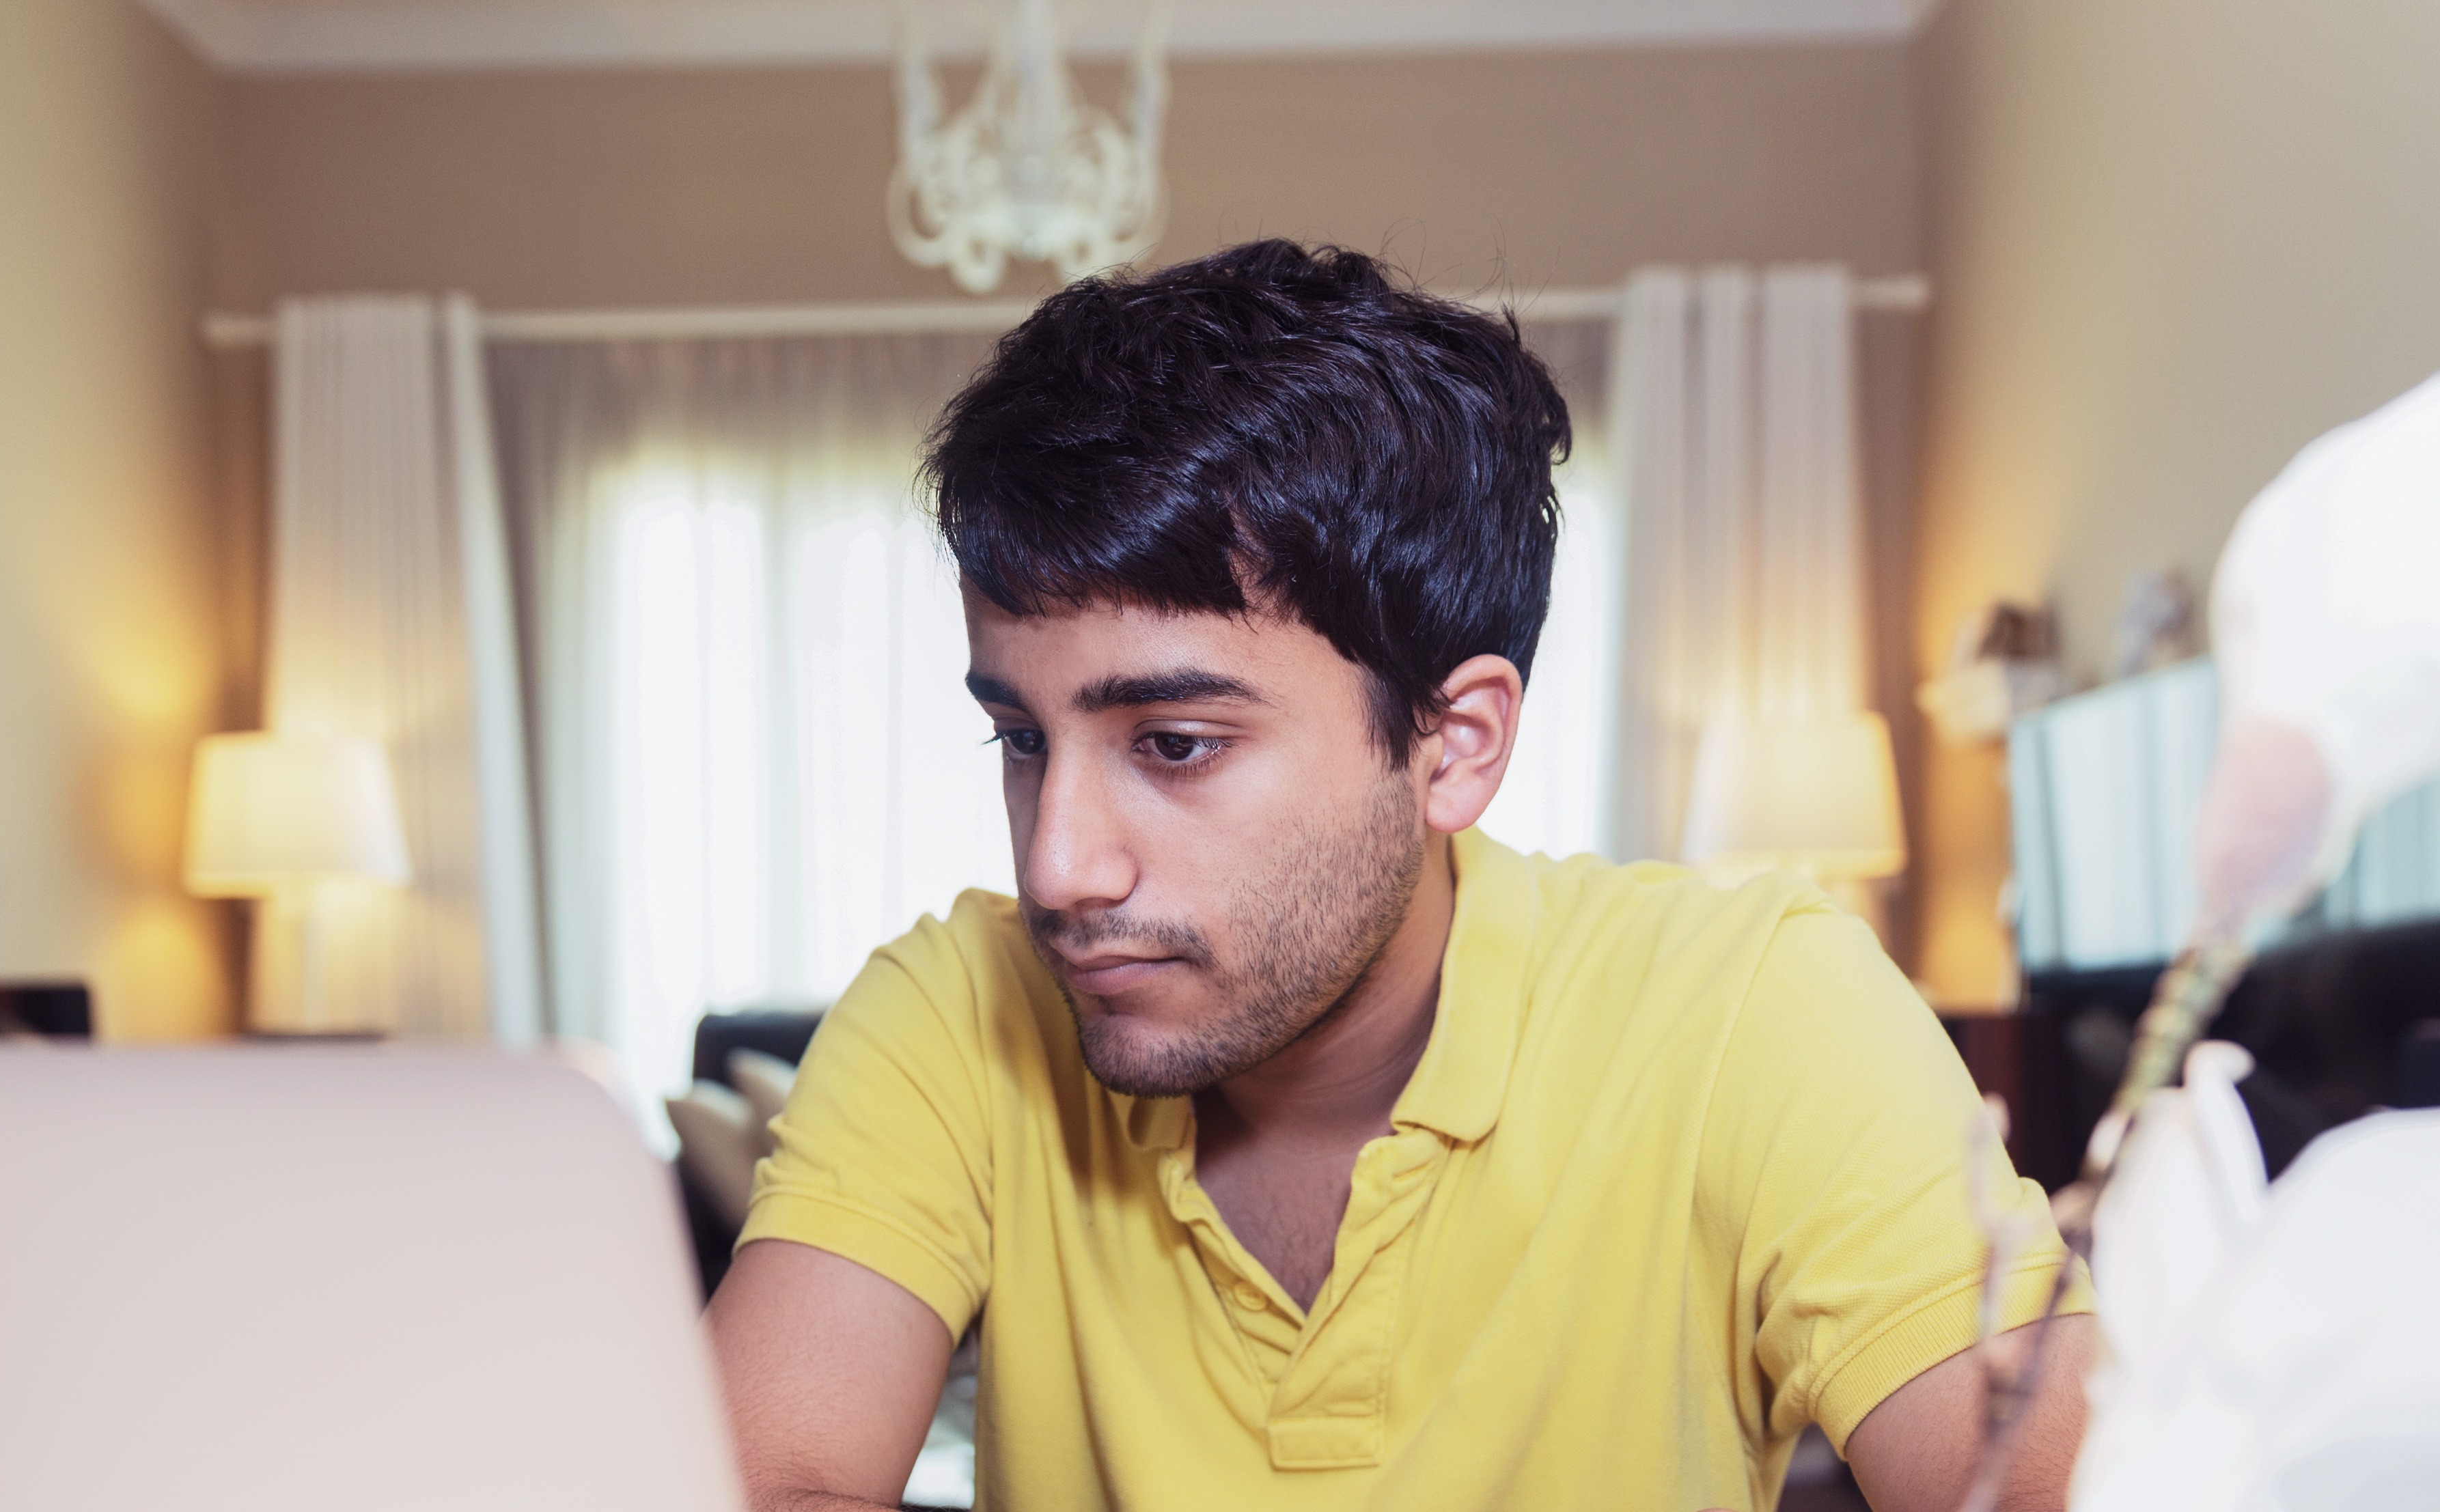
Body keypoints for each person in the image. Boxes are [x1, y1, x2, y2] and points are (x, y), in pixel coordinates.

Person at [706, 240, 2092, 1512]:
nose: (1060, 864)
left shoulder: (1752, 1006)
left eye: (1175, 742)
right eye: (1021, 736)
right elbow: (766, 1477)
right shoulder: (956, 1012)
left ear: (1453, 742)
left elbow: (2046, 1478)